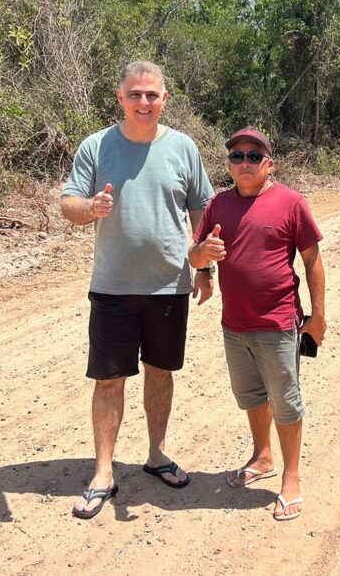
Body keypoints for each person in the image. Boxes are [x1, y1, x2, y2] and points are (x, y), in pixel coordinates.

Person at [61, 61, 214, 520]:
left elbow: (204, 211)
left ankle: (156, 455)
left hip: (169, 285)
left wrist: (205, 269)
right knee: (109, 379)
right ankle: (103, 472)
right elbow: (68, 203)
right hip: (112, 286)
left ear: (165, 99)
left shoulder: (183, 148)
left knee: (160, 373)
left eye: (152, 95)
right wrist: (90, 207)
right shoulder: (97, 146)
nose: (143, 102)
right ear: (120, 97)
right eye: (135, 94)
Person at [189, 127, 326, 521]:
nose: (244, 163)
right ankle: (262, 457)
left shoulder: (291, 202)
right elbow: (196, 258)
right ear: (229, 164)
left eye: (253, 156)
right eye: (237, 156)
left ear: (269, 164)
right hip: (234, 325)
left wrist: (317, 317)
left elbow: (312, 261)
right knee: (250, 396)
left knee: (285, 401)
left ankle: (292, 477)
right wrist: (203, 253)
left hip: (279, 323)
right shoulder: (217, 205)